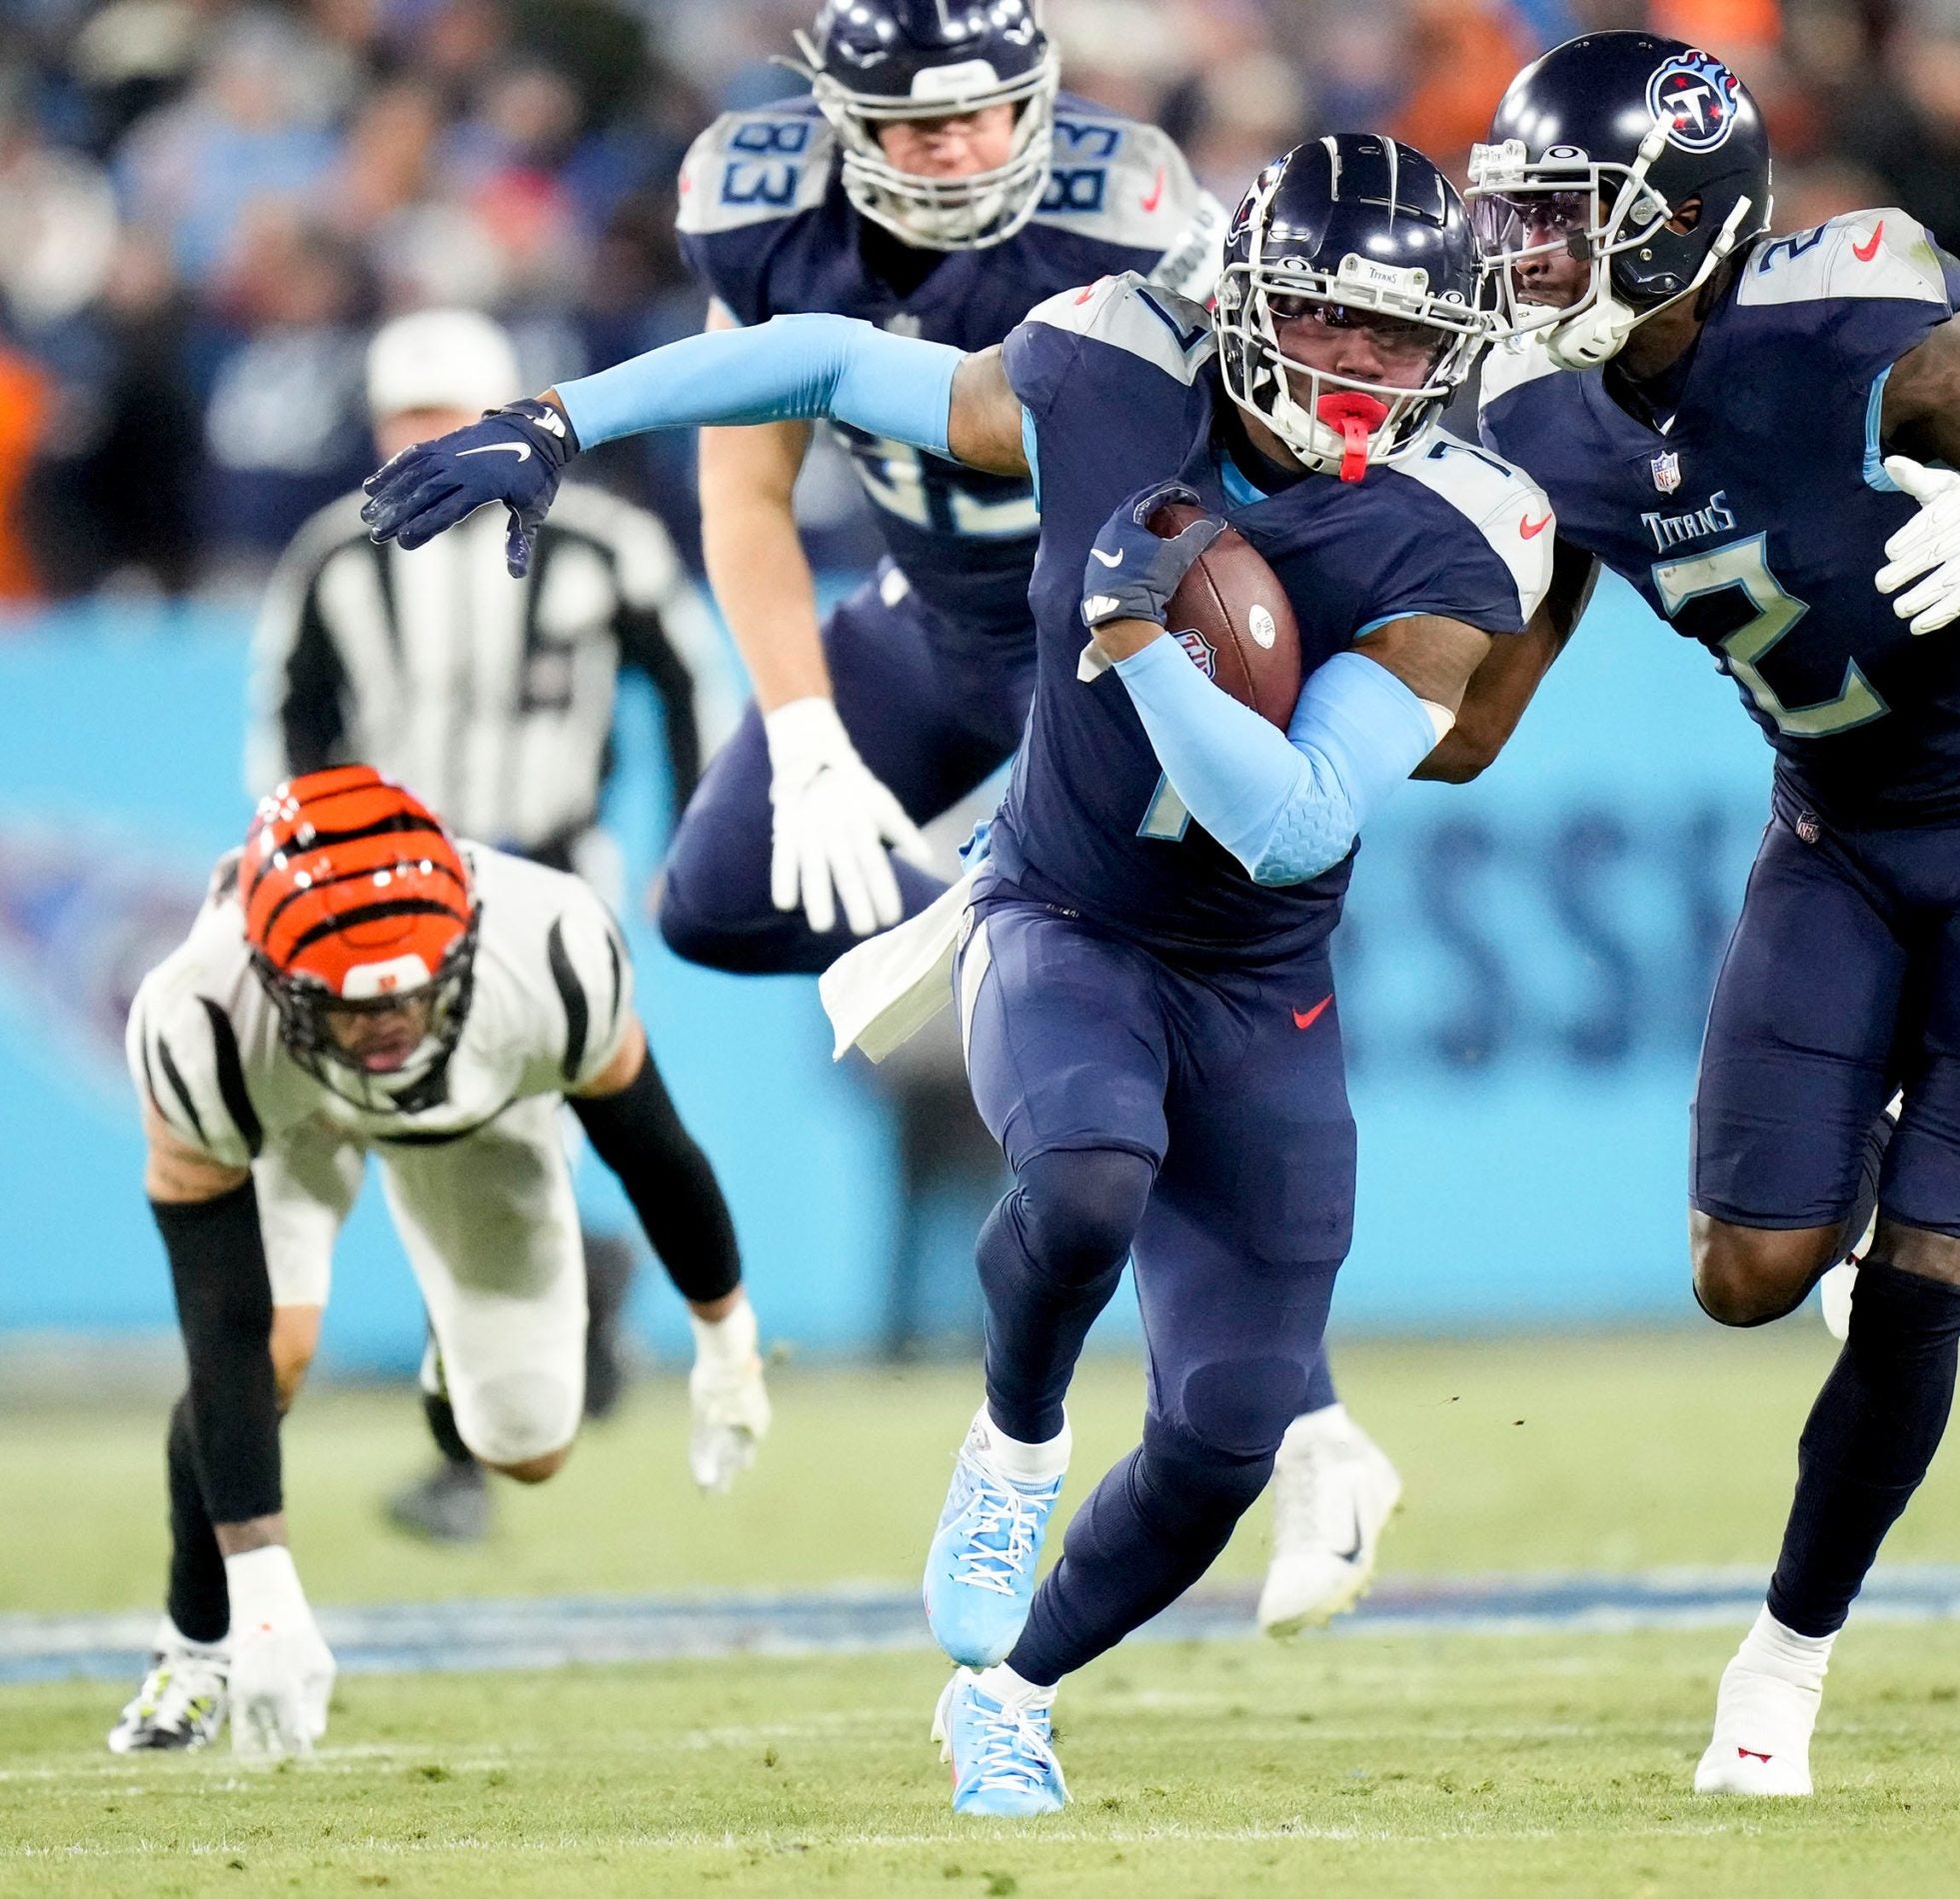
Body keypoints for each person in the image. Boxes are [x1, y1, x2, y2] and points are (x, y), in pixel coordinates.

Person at [360, 130, 1554, 1816]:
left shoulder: (1466, 525)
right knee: (1086, 1177)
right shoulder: (1110, 364)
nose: (1362, 363)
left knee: (1225, 1437)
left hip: (1258, 979)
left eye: (1402, 333)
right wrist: (564, 418)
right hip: (1061, 913)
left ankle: (1011, 1692)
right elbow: (830, 362)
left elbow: (1293, 828)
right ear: (1245, 300)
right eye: (1327, 318)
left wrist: (1143, 650)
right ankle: (1014, 1439)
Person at [1457, 34, 1960, 1795]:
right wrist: (1228, 715)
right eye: (1519, 218)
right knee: (1744, 1274)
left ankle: (1780, 1672)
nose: (1527, 255)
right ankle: (1866, 1167)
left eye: (1564, 218)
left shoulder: (1856, 331)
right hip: (1840, 827)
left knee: (1924, 1268)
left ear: (1677, 221)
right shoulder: (1538, 411)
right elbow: (1472, 725)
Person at [662, 0, 1395, 1634]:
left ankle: (1309, 1417)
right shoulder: (763, 209)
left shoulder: (1127, 208)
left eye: (990, 113)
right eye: (918, 126)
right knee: (714, 895)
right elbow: (745, 491)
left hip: (1120, 628)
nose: (962, 150)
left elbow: (1261, 441)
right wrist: (805, 732)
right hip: (932, 620)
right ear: (842, 124)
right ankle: (996, 924)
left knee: (1143, 1035)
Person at [108, 768, 769, 1755]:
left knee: (528, 1442)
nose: (389, 1022)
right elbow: (225, 1327)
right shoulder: (199, 1019)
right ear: (275, 978)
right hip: (290, 1121)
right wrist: (263, 1593)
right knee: (274, 1352)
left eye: (415, 990)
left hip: (478, 1121)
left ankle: (452, 1370)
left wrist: (728, 1344)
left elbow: (654, 1153)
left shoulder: (550, 947)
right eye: (350, 1003)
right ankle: (192, 1651)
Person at [247, 306, 737, 1543]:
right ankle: (551, 1332)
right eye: (404, 416)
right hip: (393, 892)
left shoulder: (603, 539)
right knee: (455, 1137)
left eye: (445, 411)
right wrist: (307, 865)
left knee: (490, 1133)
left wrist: (700, 834)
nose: (424, 436)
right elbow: (289, 720)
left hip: (551, 870)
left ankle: (482, 1426)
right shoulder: (335, 554)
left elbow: (691, 680)